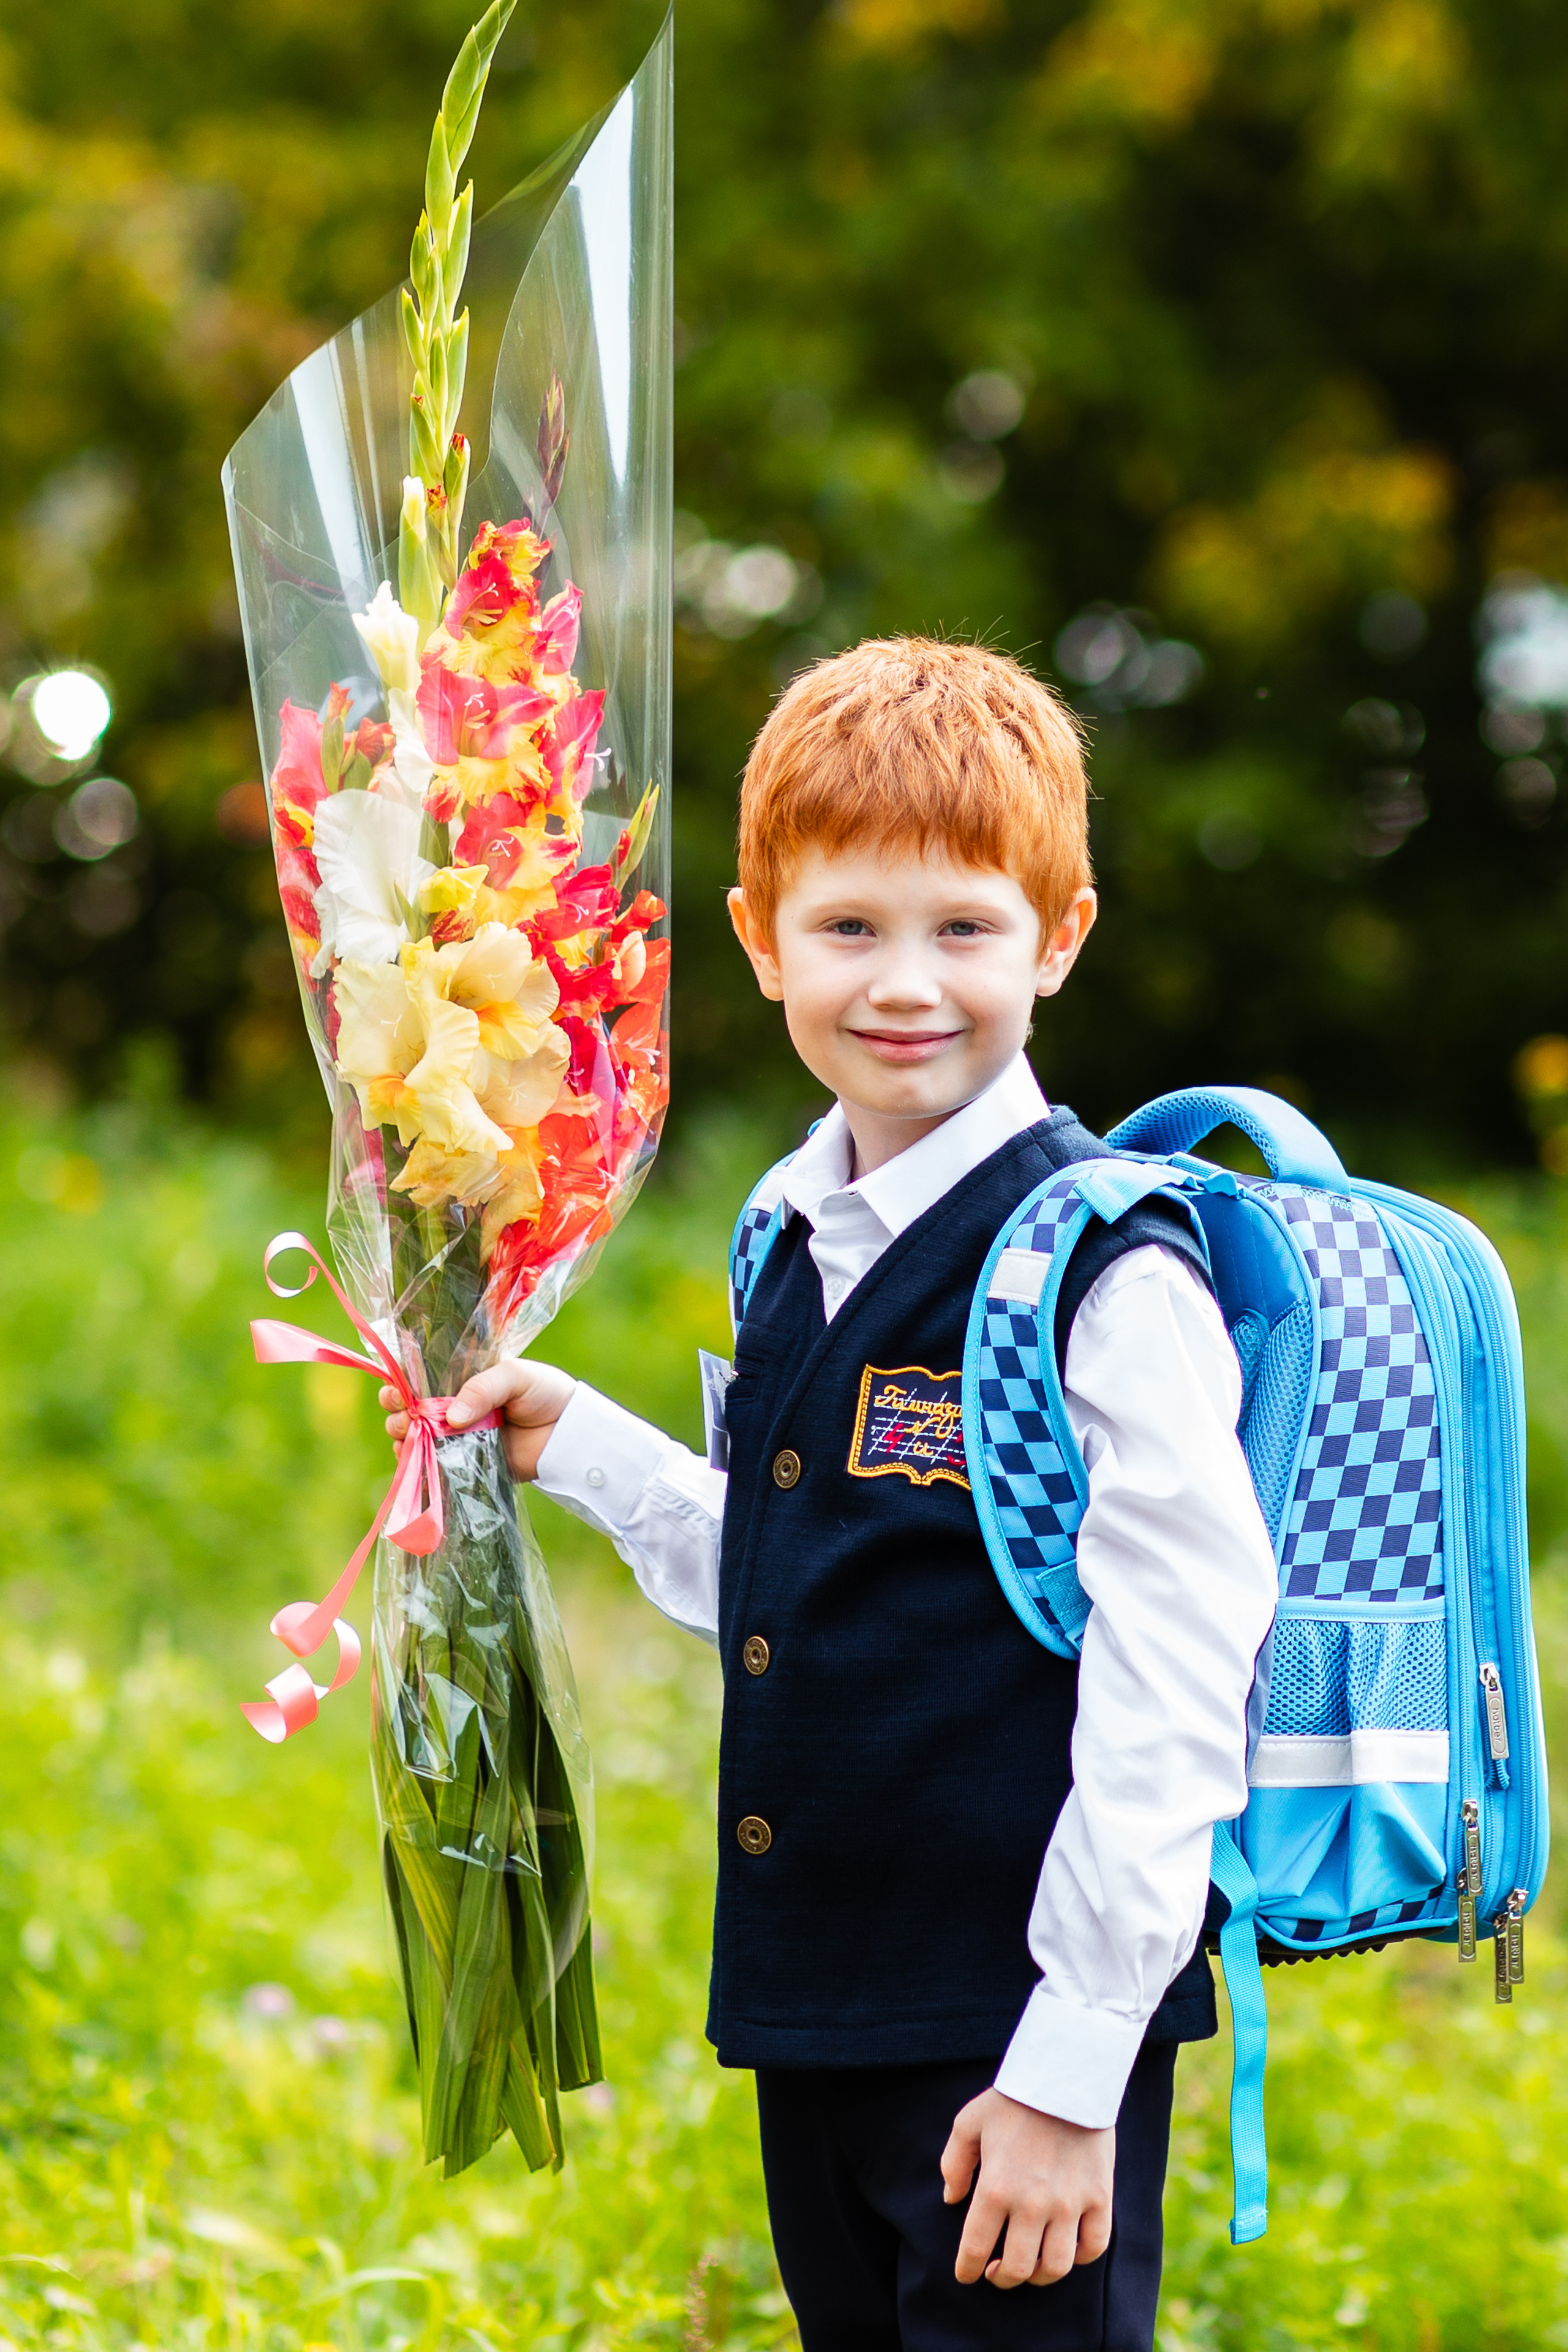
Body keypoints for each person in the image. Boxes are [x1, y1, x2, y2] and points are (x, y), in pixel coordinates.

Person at [383, 638, 1278, 2351]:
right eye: (851, 929)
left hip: (1014, 2032)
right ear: (757, 937)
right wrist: (587, 1448)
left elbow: (1180, 1680)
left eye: (965, 930)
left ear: (1062, 936)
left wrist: (1077, 2062)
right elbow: (824, 1584)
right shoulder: (791, 1241)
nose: (905, 985)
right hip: (824, 2010)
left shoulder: (1101, 1267)